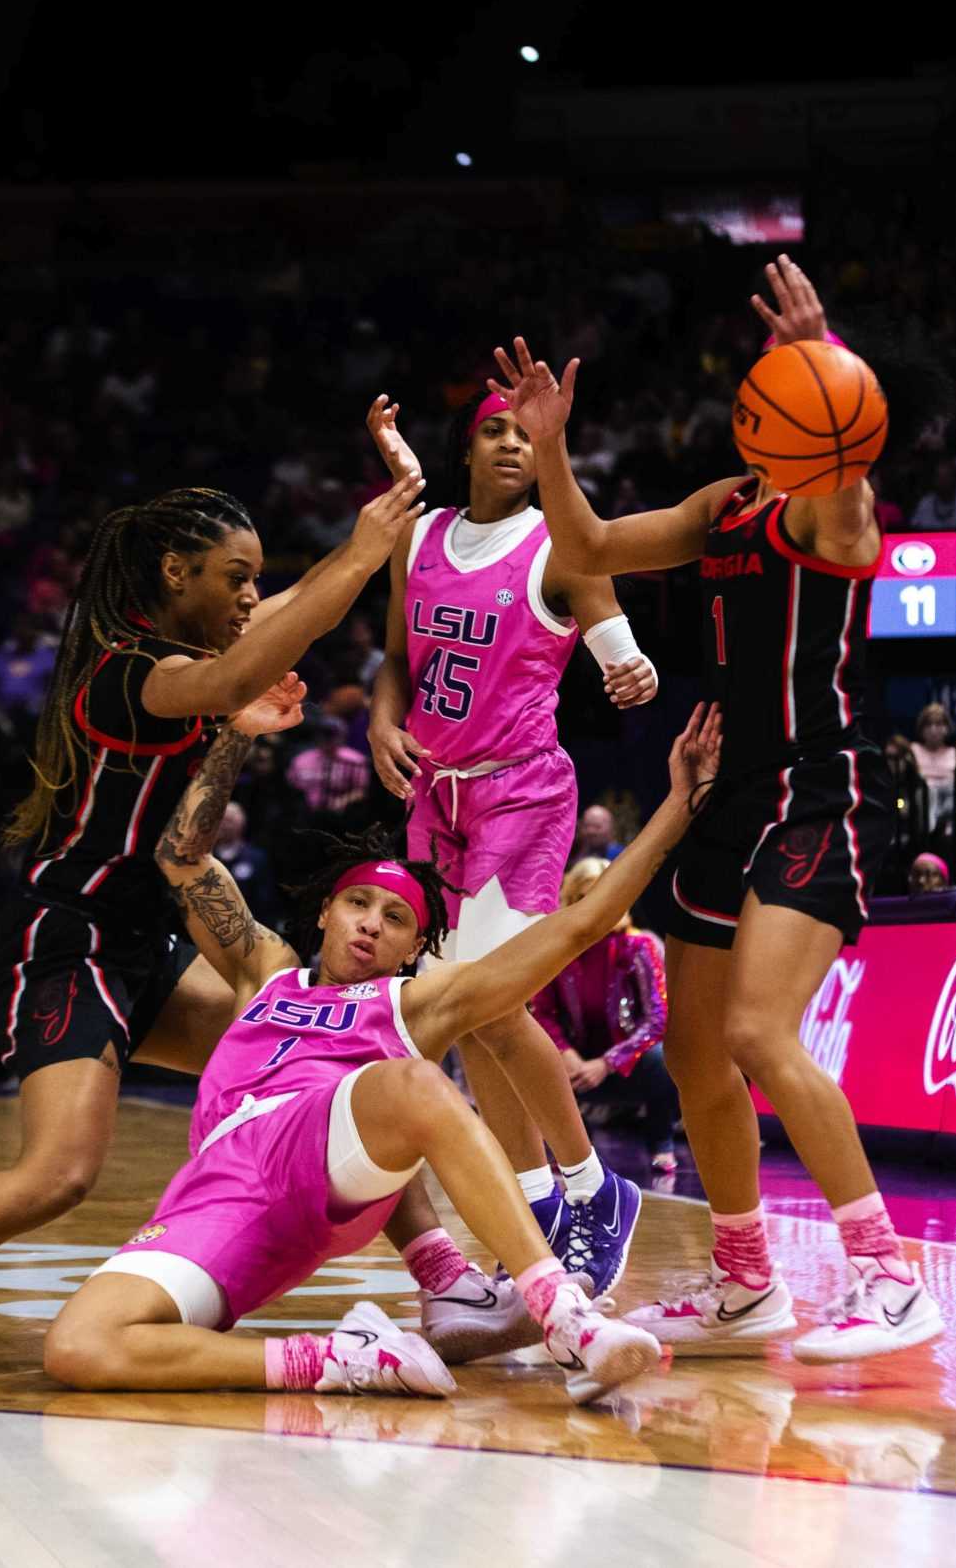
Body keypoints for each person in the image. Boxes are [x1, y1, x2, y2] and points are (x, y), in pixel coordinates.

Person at [0, 474, 425, 1377]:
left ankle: (445, 1281)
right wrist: (363, 551)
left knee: (334, 1059)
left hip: (144, 941)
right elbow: (241, 668)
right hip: (65, 940)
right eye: (236, 577)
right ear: (176, 572)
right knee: (58, 1175)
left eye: (258, 579)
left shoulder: (189, 660)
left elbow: (272, 630)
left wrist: (352, 562)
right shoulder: (125, 671)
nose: (254, 597)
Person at [37, 697, 720, 1405]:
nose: (371, 925)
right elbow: (181, 856)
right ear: (326, 910)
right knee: (80, 1345)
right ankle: (347, 1357)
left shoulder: (414, 1002)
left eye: (395, 919)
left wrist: (678, 806)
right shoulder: (267, 971)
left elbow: (581, 924)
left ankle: (565, 1317)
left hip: (320, 1154)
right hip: (217, 1193)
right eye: (359, 904)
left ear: (414, 949)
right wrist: (237, 733)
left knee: (414, 1083)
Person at [519, 257, 944, 1361]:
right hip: (717, 795)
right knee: (698, 1062)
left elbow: (846, 480)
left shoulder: (832, 523)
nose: (766, 400)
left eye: (787, 389)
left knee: (758, 1032)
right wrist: (553, 447)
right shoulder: (724, 509)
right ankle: (746, 1281)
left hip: (811, 788)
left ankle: (889, 1278)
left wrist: (822, 351)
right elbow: (591, 550)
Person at [360, 384, 662, 1291]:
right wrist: (382, 722)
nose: (509, 446)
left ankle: (593, 1188)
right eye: (494, 430)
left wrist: (630, 670)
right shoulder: (418, 538)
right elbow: (396, 659)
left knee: (488, 1002)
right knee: (464, 1014)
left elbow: (619, 651)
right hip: (433, 796)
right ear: (467, 446)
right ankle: (533, 1209)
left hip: (520, 796)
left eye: (525, 437)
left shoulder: (560, 545)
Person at [531, 857, 677, 1178]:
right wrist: (566, 1054)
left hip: (628, 1066)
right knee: (532, 1056)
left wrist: (607, 1062)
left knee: (665, 1058)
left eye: (604, 896)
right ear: (571, 900)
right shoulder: (557, 950)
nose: (595, 907)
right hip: (574, 1065)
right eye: (584, 898)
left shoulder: (638, 946)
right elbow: (541, 1012)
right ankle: (574, 1148)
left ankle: (661, 1142)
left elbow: (657, 1019)